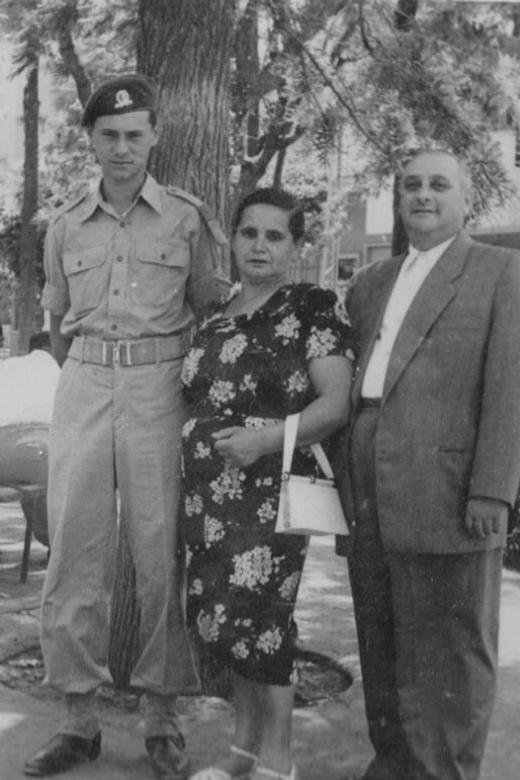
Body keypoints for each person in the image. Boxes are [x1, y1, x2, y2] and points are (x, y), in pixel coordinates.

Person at [24, 74, 229, 780]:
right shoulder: (63, 223)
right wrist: (90, 371)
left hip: (159, 386)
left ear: (154, 137)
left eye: (133, 135)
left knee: (157, 548)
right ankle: (77, 720)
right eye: (108, 136)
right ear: (90, 140)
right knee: (74, 552)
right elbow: (56, 324)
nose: (121, 148)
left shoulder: (187, 218)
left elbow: (214, 313)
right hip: (84, 380)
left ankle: (161, 717)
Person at [336, 148, 520, 780]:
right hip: (369, 495)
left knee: (452, 657)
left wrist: (493, 491)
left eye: (438, 185)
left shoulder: (501, 271)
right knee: (383, 645)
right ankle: (392, 766)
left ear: (465, 198)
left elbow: (511, 388)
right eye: (410, 184)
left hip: (450, 495)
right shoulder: (371, 283)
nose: (422, 195)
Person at [179, 188, 353, 780]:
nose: (259, 245)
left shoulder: (311, 306)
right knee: (225, 626)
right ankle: (241, 753)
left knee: (261, 626)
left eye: (275, 235)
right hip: (206, 500)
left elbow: (335, 405)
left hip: (268, 497)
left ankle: (278, 762)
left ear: (296, 246)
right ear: (232, 238)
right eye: (249, 232)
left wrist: (264, 439)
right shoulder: (216, 313)